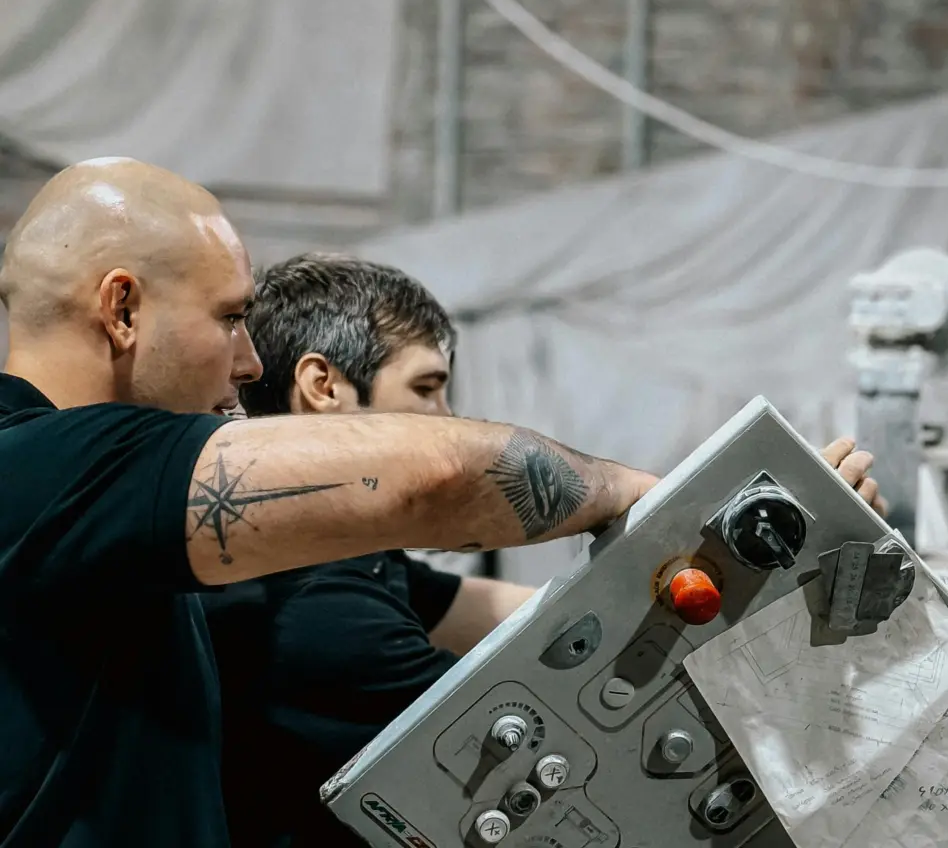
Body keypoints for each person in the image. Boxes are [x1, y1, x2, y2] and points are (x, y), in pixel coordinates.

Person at [0, 158, 670, 848]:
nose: (250, 362)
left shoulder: (105, 514)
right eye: (229, 316)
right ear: (123, 310)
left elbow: (525, 619)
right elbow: (437, 480)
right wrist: (644, 500)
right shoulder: (39, 471)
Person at [204, 252, 887, 847]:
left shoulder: (356, 569)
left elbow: (548, 619)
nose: (450, 426)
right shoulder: (324, 613)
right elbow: (571, 740)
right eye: (426, 390)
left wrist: (773, 558)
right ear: (324, 388)